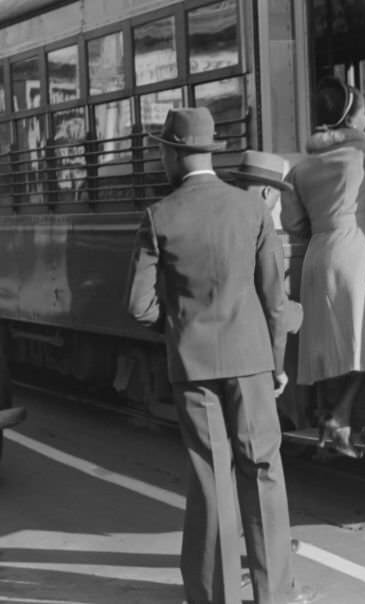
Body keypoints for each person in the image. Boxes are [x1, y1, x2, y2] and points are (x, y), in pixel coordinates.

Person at [127, 108, 313, 604]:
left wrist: (180, 324)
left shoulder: (159, 216)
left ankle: (216, 596)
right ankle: (274, 594)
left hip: (193, 367)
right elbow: (274, 299)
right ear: (210, 150)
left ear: (171, 152)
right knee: (264, 471)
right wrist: (276, 363)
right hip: (251, 361)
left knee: (211, 476)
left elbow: (138, 306)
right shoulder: (250, 210)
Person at [280, 78, 365, 459]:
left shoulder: (302, 168)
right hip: (358, 252)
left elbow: (294, 225)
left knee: (349, 345)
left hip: (318, 256)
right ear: (351, 117)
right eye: (362, 110)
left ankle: (340, 419)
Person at [228, 149, 304, 395]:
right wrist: (277, 369)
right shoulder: (264, 230)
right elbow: (275, 309)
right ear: (267, 192)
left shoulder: (219, 224)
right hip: (254, 357)